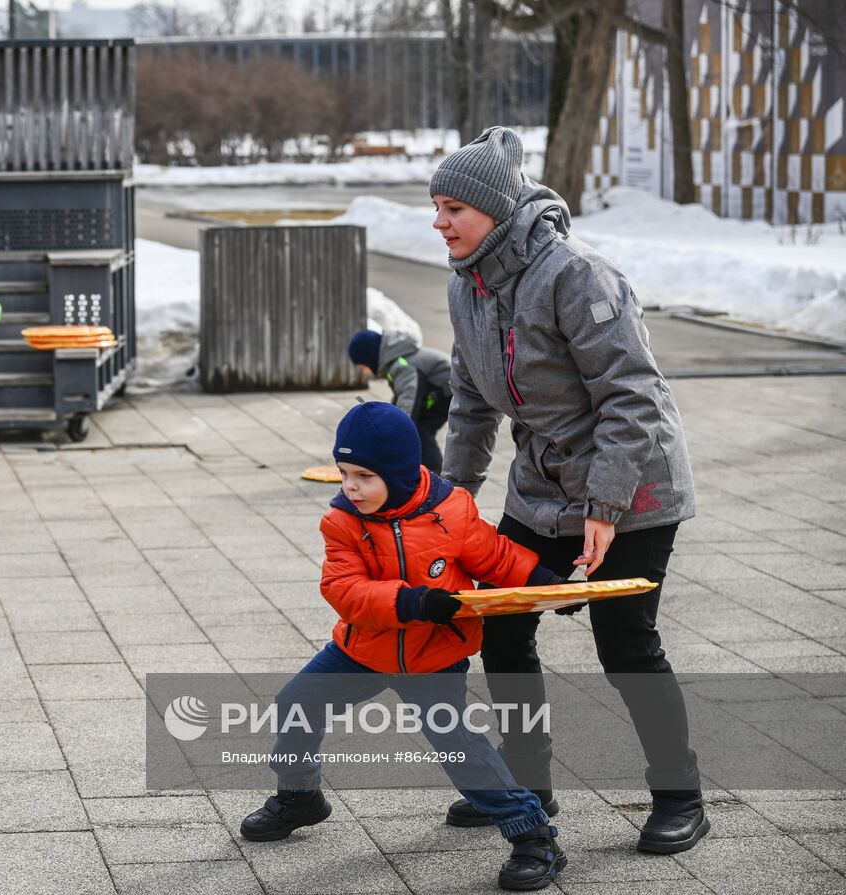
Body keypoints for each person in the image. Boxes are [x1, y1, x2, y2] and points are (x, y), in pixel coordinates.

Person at [431, 126, 706, 853]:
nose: (439, 219)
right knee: (503, 623)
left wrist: (606, 508)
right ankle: (528, 788)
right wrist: (450, 504)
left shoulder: (575, 275)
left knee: (626, 644)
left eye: (453, 205)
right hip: (542, 484)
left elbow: (634, 397)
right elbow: (468, 402)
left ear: (494, 209)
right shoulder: (469, 287)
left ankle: (681, 794)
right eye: (436, 204)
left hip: (635, 484)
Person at [241, 401, 571, 892]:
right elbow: (344, 591)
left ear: (397, 474)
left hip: (432, 655)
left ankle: (533, 834)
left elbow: (495, 556)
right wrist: (412, 601)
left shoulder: (451, 509)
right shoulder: (343, 522)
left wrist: (546, 585)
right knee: (294, 706)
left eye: (364, 476)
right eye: (344, 472)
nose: (350, 486)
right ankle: (300, 797)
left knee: (456, 745)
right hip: (363, 649)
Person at [348, 327, 451, 471]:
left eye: (363, 367)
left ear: (370, 357)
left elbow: (408, 400)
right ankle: (419, 469)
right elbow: (400, 397)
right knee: (409, 426)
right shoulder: (397, 358)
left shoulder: (402, 365)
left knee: (420, 430)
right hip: (434, 391)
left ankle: (435, 476)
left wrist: (396, 431)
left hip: (447, 391)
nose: (365, 372)